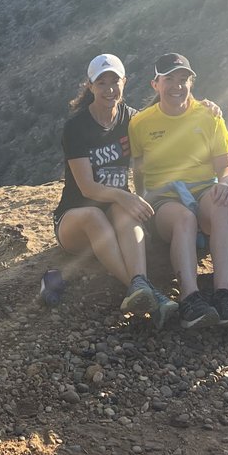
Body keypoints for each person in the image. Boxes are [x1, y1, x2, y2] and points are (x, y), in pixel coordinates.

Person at [54, 53, 177, 324]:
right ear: (90, 86)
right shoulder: (76, 127)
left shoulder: (131, 119)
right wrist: (124, 195)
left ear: (125, 82)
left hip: (113, 212)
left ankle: (140, 285)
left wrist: (203, 106)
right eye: (101, 83)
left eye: (115, 82)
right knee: (96, 215)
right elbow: (87, 188)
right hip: (75, 220)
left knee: (124, 211)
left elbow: (167, 119)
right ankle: (147, 292)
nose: (109, 89)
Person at [129, 52, 228, 329]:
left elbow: (226, 167)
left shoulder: (209, 116)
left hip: (203, 190)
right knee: (184, 218)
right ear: (155, 84)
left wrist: (225, 185)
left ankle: (223, 294)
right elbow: (139, 171)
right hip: (164, 198)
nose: (177, 86)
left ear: (191, 82)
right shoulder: (140, 123)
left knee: (221, 203)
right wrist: (143, 204)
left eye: (183, 79)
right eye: (169, 79)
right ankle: (190, 299)